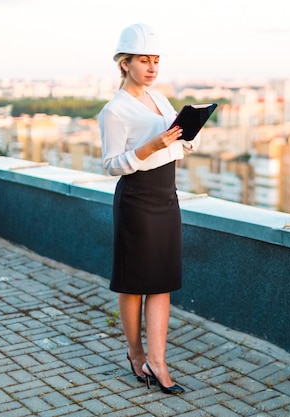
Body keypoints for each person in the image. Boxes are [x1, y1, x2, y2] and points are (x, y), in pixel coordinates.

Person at [98, 23, 198, 395]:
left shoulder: (161, 100)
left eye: (156, 60)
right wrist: (152, 146)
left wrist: (187, 137)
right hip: (137, 201)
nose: (152, 67)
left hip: (166, 198)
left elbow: (174, 144)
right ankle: (135, 352)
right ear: (125, 63)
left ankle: (158, 361)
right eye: (144, 60)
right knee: (134, 283)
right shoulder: (114, 110)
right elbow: (110, 164)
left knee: (162, 283)